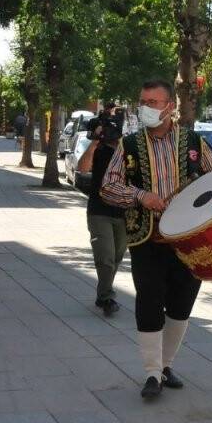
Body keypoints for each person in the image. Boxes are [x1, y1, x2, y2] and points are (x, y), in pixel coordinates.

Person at [101, 79, 212, 400]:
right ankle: (152, 372)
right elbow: (108, 187)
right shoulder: (128, 145)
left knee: (182, 304)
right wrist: (140, 196)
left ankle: (166, 366)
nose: (145, 108)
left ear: (170, 107)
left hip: (189, 240)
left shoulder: (194, 142)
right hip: (148, 238)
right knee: (149, 302)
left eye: (152, 102)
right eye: (143, 101)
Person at [78, 103, 126, 318]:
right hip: (99, 211)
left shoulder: (127, 151)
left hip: (123, 212)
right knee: (105, 256)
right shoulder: (99, 149)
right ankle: (107, 297)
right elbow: (83, 168)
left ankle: (102, 294)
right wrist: (95, 142)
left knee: (116, 257)